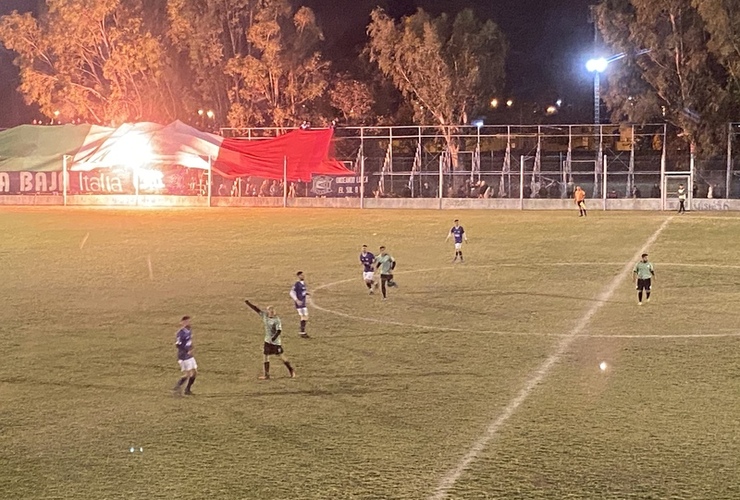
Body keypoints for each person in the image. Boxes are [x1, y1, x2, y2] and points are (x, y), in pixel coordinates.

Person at [244, 300, 295, 380]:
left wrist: (274, 338)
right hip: (267, 341)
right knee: (265, 356)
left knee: (281, 357)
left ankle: (291, 370)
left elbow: (279, 331)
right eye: (270, 312)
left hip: (275, 343)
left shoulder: (277, 320)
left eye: (273, 312)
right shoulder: (265, 316)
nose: (272, 313)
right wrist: (248, 303)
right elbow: (256, 309)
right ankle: (267, 375)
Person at [173, 316, 197, 396]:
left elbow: (189, 341)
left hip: (189, 355)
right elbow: (178, 345)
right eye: (186, 322)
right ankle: (177, 387)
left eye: (188, 321)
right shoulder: (180, 333)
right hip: (183, 355)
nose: (188, 323)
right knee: (188, 374)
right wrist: (187, 351)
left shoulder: (189, 330)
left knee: (194, 373)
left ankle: (187, 389)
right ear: (182, 323)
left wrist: (191, 347)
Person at [290, 271, 310, 338]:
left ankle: (302, 331)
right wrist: (297, 300)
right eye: (301, 275)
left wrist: (306, 293)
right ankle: (302, 332)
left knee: (305, 317)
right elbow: (291, 292)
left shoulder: (302, 283)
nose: (303, 276)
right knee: (304, 317)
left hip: (303, 303)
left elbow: (301, 291)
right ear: (298, 276)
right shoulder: (297, 284)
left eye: (303, 275)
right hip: (300, 303)